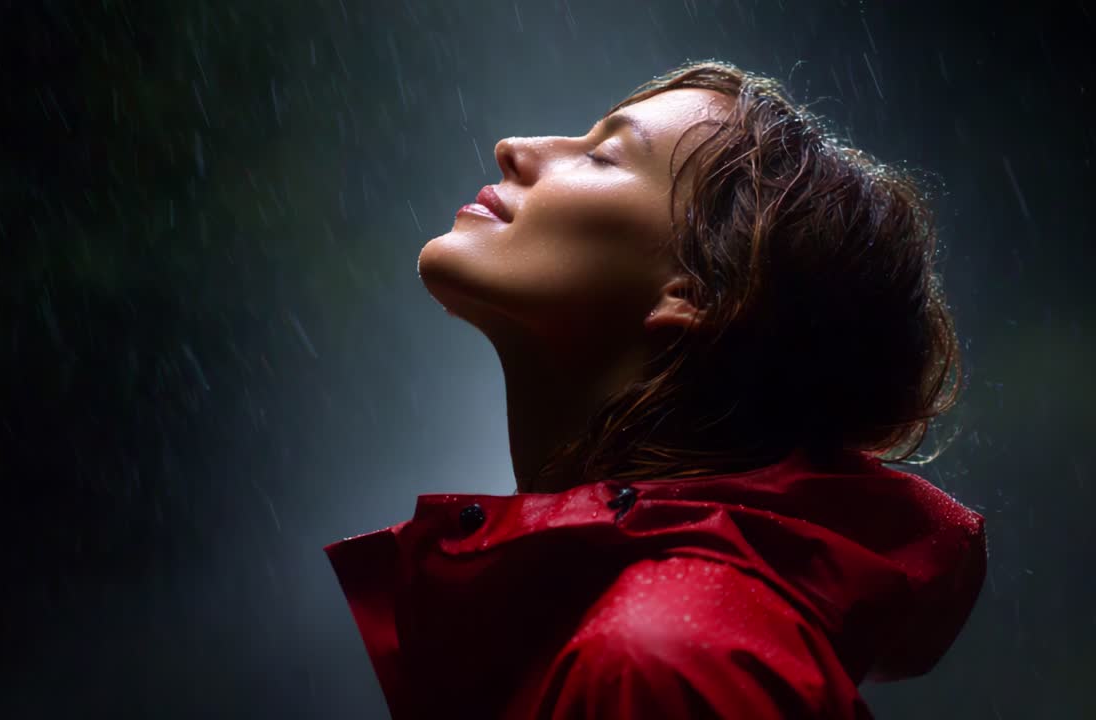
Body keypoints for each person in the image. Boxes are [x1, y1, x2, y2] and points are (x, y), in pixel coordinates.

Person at [326, 59, 987, 719]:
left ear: (697, 292)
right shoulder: (637, 631)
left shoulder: (661, 662)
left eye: (602, 156)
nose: (514, 148)